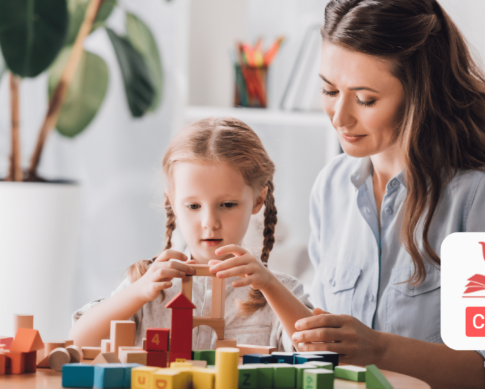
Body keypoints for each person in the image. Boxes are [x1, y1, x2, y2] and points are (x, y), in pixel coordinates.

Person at [291, 0, 485, 388]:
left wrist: (379, 349)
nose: (340, 117)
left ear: (420, 93)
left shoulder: (472, 196)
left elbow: (479, 370)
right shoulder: (331, 187)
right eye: (329, 90)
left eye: (365, 99)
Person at [69, 117, 313, 351]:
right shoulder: (148, 283)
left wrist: (269, 285)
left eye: (227, 205)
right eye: (193, 206)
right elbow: (79, 341)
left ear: (258, 199)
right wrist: (140, 291)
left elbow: (315, 350)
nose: (209, 222)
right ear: (173, 202)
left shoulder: (280, 291)